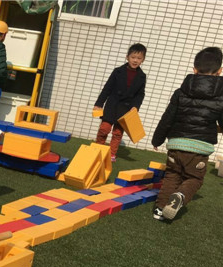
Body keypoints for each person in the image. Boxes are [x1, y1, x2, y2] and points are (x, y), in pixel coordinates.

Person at [151, 46, 223, 221]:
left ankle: (160, 209)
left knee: (172, 175)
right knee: (194, 178)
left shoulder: (180, 92)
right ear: (220, 71)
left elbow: (167, 118)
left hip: (176, 144)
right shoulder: (221, 96)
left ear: (194, 69)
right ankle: (181, 195)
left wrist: (157, 139)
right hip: (199, 148)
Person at [94, 43, 147, 162]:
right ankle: (98, 147)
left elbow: (140, 94)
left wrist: (136, 106)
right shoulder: (117, 71)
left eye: (139, 58)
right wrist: (99, 104)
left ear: (142, 60)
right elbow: (107, 88)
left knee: (117, 133)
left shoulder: (142, 76)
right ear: (127, 57)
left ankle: (112, 153)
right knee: (104, 129)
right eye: (133, 57)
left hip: (125, 108)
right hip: (112, 105)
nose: (135, 60)